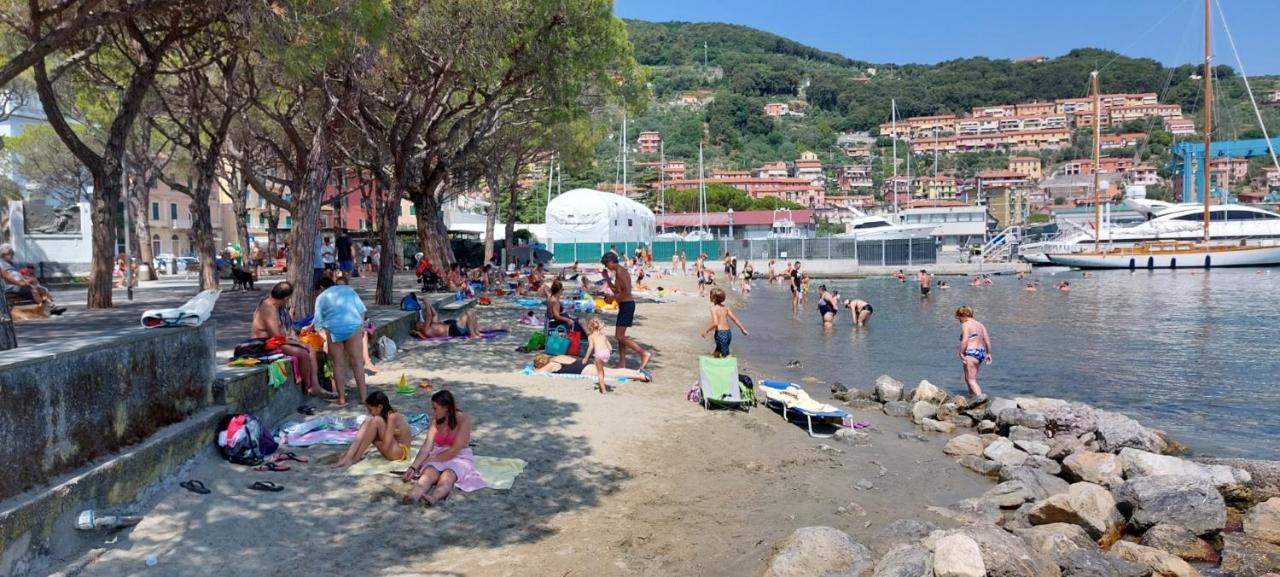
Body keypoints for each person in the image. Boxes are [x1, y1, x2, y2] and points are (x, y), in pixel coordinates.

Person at [402, 390, 478, 506]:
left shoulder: (463, 420)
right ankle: (415, 494)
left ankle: (434, 497)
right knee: (429, 473)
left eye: (435, 408)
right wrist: (413, 467)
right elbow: (426, 447)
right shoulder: (436, 422)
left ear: (446, 408)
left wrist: (431, 459)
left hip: (459, 455)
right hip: (440, 452)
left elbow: (454, 450)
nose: (433, 412)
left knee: (448, 475)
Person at [251, 281, 325, 398]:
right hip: (264, 344)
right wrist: (295, 342)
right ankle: (308, 387)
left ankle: (315, 386)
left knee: (309, 348)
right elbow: (276, 337)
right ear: (286, 298)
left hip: (273, 341)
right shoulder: (268, 309)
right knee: (303, 353)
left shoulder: (274, 305)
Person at [313, 271, 367, 406]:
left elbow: (318, 324)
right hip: (353, 325)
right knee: (357, 363)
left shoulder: (321, 298)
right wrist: (359, 327)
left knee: (338, 364)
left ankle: (342, 398)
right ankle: (363, 397)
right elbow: (361, 310)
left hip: (333, 328)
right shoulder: (349, 290)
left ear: (321, 288)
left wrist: (326, 339)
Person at [600, 252, 650, 370]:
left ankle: (643, 353)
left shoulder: (621, 271)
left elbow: (626, 292)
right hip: (624, 305)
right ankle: (622, 363)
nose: (606, 267)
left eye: (607, 264)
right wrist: (607, 278)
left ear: (611, 261)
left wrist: (612, 299)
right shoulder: (618, 271)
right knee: (620, 336)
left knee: (619, 337)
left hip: (627, 305)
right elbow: (618, 291)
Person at [334, 391, 411, 468]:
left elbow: (386, 446)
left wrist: (373, 440)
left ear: (380, 407)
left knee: (376, 420)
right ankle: (349, 456)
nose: (370, 413)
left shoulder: (392, 416)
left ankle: (355, 457)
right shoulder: (386, 413)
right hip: (393, 449)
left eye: (371, 410)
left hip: (400, 453)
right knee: (368, 420)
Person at [0, 244, 64, 314]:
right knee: (33, 289)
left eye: (12, 253)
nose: (13, 255)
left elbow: (19, 274)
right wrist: (20, 282)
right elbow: (7, 277)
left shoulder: (10, 263)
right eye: (10, 253)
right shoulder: (1, 264)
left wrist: (26, 279)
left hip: (20, 283)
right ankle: (45, 308)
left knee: (41, 289)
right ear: (3, 254)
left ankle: (52, 306)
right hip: (10, 286)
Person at [955, 305, 992, 406]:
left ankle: (982, 401)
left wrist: (961, 352)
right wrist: (988, 353)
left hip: (971, 352)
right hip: (980, 352)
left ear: (963, 315)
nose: (959, 320)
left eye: (958, 318)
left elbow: (965, 340)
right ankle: (972, 399)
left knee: (971, 379)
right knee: (969, 378)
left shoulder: (966, 324)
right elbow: (987, 340)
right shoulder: (980, 325)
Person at [531, 353, 652, 381]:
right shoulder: (557, 357)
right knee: (611, 371)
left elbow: (537, 373)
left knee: (612, 374)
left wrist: (535, 369)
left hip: (583, 369)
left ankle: (641, 376)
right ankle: (636, 371)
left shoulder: (551, 365)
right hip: (584, 364)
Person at [701, 287, 748, 357]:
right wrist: (743, 329)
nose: (709, 296)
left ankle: (728, 365)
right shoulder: (725, 308)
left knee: (725, 355)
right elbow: (735, 319)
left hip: (720, 334)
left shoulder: (713, 308)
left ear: (714, 298)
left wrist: (706, 331)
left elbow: (715, 323)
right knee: (718, 350)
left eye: (710, 295)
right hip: (728, 333)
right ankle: (715, 359)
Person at [580, 318, 613, 394]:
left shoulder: (591, 336)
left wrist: (586, 358)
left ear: (590, 327)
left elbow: (590, 347)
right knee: (602, 369)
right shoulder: (603, 335)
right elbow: (610, 348)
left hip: (599, 354)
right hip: (606, 353)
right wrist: (608, 354)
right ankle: (601, 384)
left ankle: (603, 390)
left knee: (600, 372)